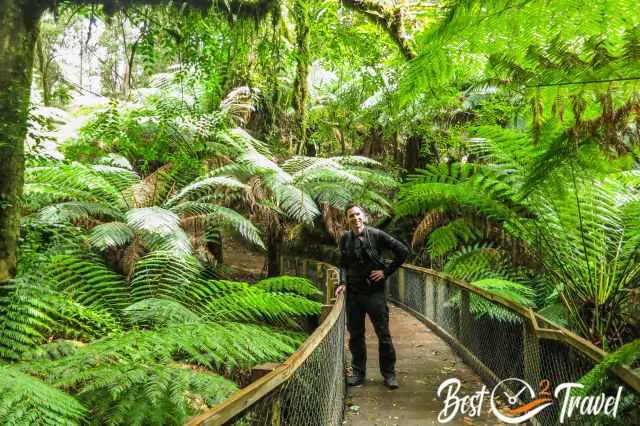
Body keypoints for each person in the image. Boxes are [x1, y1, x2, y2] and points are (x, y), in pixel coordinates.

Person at [335, 204, 408, 389]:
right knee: (355, 335)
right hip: (353, 294)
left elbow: (402, 251)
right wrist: (342, 283)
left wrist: (386, 272)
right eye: (351, 215)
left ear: (364, 216)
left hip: (375, 293)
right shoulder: (345, 238)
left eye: (358, 214)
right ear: (347, 219)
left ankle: (389, 374)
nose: (355, 218)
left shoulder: (376, 235)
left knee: (383, 334)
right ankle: (358, 373)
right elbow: (342, 264)